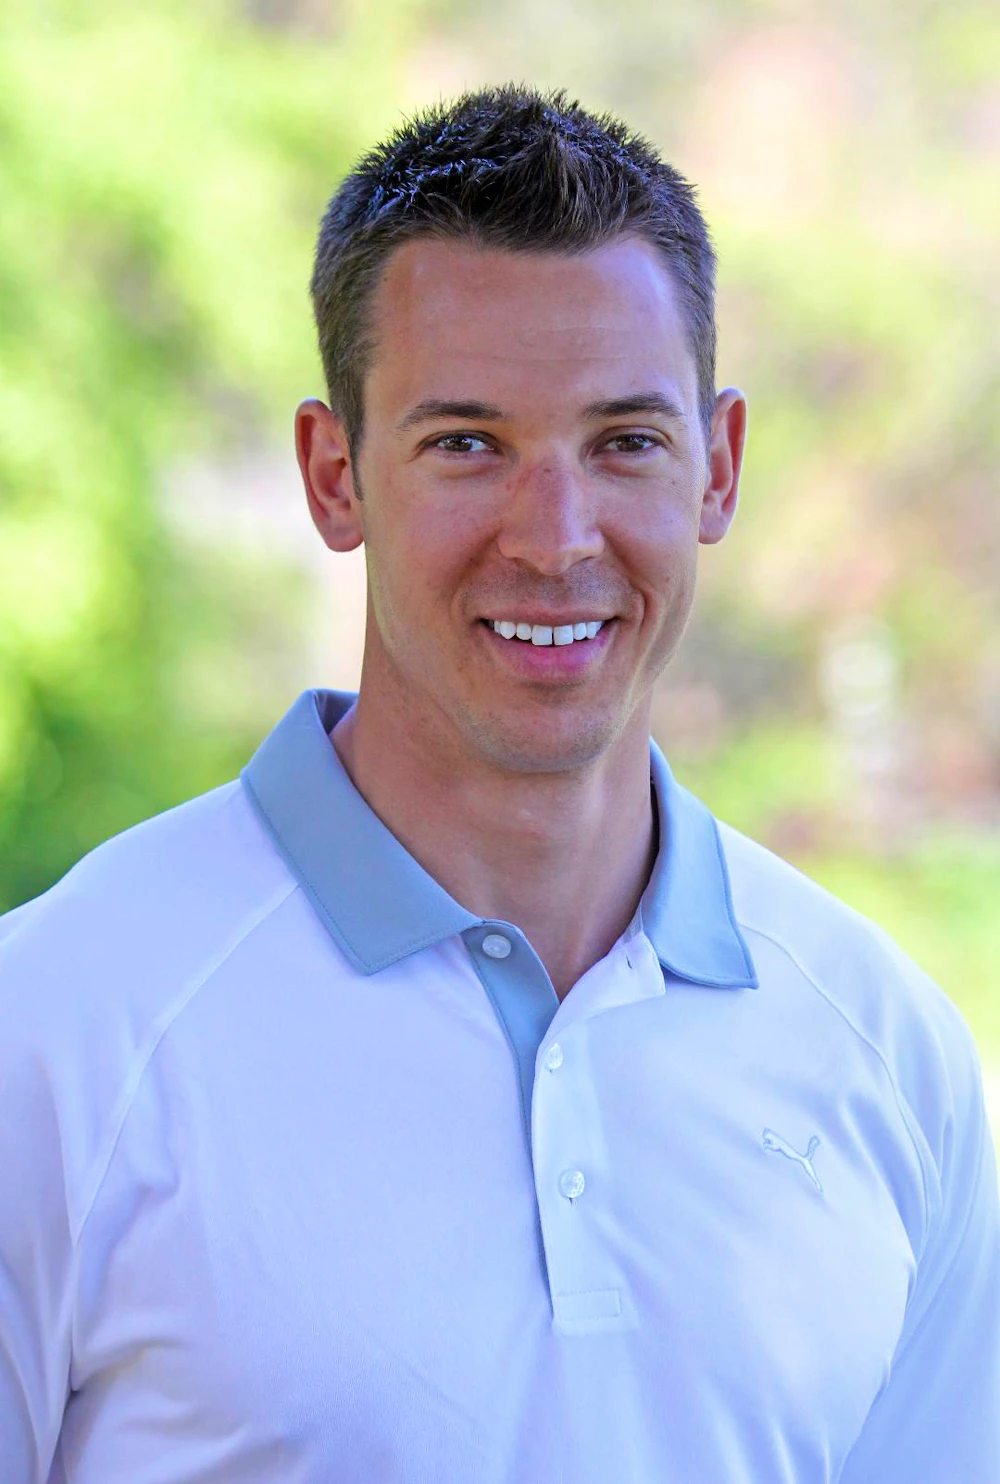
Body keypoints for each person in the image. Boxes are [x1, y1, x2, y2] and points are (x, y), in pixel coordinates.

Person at [1, 82, 997, 1484]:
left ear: (717, 468)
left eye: (625, 441)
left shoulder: (890, 1053)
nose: (555, 536)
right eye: (467, 444)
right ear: (334, 475)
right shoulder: (55, 1030)